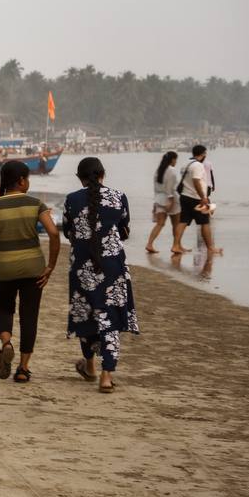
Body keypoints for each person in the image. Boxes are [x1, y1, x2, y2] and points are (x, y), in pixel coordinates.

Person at [63, 157, 139, 393]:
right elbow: (124, 231)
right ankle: (106, 376)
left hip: (82, 267)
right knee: (110, 318)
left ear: (80, 178)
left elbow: (68, 232)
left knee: (87, 315)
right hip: (112, 266)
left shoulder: (72, 200)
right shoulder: (118, 197)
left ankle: (90, 366)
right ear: (103, 174)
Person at [0, 161, 61, 383]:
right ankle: (23, 369)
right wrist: (50, 266)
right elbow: (54, 233)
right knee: (29, 316)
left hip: (4, 268)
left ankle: (6, 343)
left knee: (4, 308)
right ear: (22, 181)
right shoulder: (36, 204)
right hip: (34, 269)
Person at [173, 144, 222, 256]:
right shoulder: (198, 165)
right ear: (203, 154)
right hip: (195, 198)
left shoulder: (186, 164)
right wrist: (203, 197)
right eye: (205, 153)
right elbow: (196, 181)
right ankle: (210, 248)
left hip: (184, 196)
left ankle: (175, 245)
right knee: (205, 222)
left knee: (183, 221)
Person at [146, 151, 180, 254]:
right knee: (176, 224)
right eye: (176, 160)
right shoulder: (171, 170)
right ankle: (176, 246)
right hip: (171, 199)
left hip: (159, 198)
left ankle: (149, 244)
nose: (176, 162)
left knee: (160, 224)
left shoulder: (158, 170)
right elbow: (170, 188)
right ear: (172, 159)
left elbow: (155, 188)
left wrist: (155, 203)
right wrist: (171, 201)